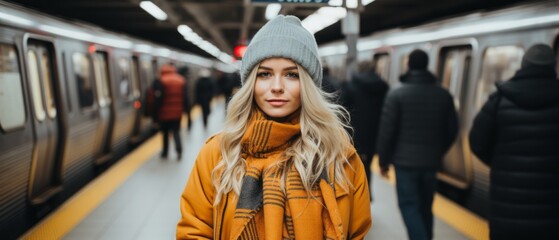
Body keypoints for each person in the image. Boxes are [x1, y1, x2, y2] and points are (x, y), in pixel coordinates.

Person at [177, 15, 372, 240]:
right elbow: (194, 231)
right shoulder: (219, 152)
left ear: (307, 83)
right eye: (265, 74)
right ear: (251, 82)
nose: (277, 87)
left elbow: (356, 232)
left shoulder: (339, 155)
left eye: (291, 74)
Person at [469, 43, 559, 240]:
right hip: (551, 211)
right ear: (553, 67)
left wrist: (502, 165)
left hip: (506, 208)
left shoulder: (500, 99)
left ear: (524, 65)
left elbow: (476, 142)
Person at [376, 49, 458, 240]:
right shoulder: (443, 94)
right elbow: (452, 129)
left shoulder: (396, 94)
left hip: (405, 163)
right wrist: (438, 151)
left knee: (409, 206)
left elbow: (387, 132)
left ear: (409, 65)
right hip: (431, 162)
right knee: (425, 206)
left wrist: (383, 161)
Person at [346, 64, 389, 201]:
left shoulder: (351, 87)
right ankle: (365, 195)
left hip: (354, 134)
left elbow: (344, 112)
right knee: (366, 166)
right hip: (374, 136)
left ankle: (357, 198)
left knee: (352, 168)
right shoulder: (383, 88)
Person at [153, 64, 188, 159]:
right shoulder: (181, 80)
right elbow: (185, 97)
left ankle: (165, 152)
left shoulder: (161, 80)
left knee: (165, 133)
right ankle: (179, 150)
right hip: (177, 113)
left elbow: (158, 99)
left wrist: (155, 113)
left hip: (164, 113)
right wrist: (186, 111)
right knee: (176, 131)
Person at [177, 66, 193, 131]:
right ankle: (189, 125)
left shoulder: (180, 80)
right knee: (188, 114)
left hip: (179, 103)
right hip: (186, 101)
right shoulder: (183, 80)